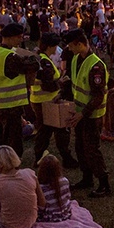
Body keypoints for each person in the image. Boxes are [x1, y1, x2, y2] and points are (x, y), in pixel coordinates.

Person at [65, 28, 111, 198]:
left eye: (71, 45)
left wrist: (83, 113)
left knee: (92, 149)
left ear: (80, 43)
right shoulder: (77, 59)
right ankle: (87, 178)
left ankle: (104, 183)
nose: (69, 49)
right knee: (80, 147)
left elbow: (98, 96)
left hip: (91, 115)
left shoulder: (96, 65)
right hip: (79, 114)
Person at [0, 22, 40, 161]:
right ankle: (10, 170)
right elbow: (32, 65)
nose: (20, 40)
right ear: (10, 37)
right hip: (10, 106)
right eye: (18, 37)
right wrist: (33, 56)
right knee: (13, 143)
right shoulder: (9, 56)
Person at [30, 32, 77, 168]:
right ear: (51, 46)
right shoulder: (45, 62)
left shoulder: (38, 58)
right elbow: (49, 85)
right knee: (59, 130)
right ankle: (65, 158)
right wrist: (61, 82)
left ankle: (40, 157)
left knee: (44, 131)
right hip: (48, 101)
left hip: (39, 100)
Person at [37, 153, 72, 222]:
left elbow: (41, 207)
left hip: (48, 217)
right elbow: (68, 197)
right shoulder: (65, 181)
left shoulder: (40, 188)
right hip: (64, 212)